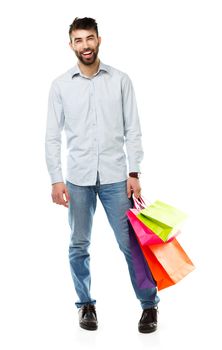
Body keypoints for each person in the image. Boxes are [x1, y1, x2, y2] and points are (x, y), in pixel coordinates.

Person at [45, 17, 160, 333]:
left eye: (89, 38)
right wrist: (56, 179)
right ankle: (85, 305)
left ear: (99, 40)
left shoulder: (120, 80)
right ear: (71, 45)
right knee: (78, 245)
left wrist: (134, 172)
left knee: (131, 244)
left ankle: (149, 306)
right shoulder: (60, 85)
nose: (85, 45)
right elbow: (53, 136)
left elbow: (133, 130)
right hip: (78, 179)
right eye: (79, 40)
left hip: (115, 178)